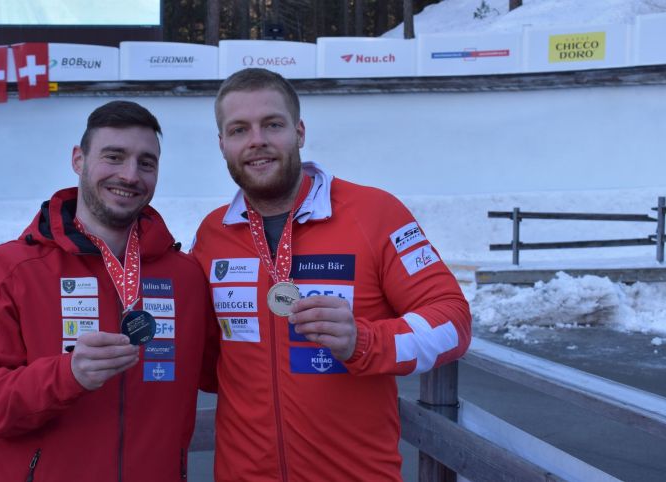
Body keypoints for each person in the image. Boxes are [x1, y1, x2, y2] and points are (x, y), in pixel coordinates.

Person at [190, 68, 472, 481]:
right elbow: (211, 359)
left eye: (272, 124)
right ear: (222, 144)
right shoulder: (213, 233)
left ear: (299, 132)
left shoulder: (376, 213)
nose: (257, 141)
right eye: (238, 130)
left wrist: (365, 341)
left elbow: (454, 322)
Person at [0, 100, 218, 481]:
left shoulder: (185, 275)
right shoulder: (10, 268)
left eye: (146, 162)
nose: (130, 175)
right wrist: (66, 375)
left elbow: (232, 370)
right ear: (78, 159)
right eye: (114, 156)